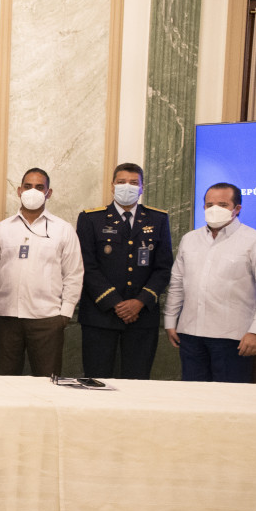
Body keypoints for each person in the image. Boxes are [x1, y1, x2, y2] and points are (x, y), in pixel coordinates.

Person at [75, 162, 173, 380]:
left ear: (142, 187)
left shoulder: (157, 219)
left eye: (133, 183)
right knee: (97, 379)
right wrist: (115, 303)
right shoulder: (91, 219)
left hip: (142, 317)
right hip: (100, 316)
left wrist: (139, 302)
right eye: (121, 182)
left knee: (137, 380)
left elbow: (163, 268)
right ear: (112, 185)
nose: (127, 187)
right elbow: (86, 266)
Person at [0, 168, 83, 377]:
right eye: (28, 186)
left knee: (47, 381)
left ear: (48, 192)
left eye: (39, 187)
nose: (32, 191)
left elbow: (73, 273)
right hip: (6, 317)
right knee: (5, 380)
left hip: (47, 318)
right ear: (19, 190)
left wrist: (65, 314)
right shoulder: (2, 229)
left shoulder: (63, 229)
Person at [163, 182, 256, 382]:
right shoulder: (190, 239)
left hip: (233, 337)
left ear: (237, 209)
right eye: (209, 204)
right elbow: (177, 283)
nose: (214, 209)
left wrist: (255, 332)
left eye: (222, 205)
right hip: (190, 334)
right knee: (194, 394)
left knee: (229, 395)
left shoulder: (252, 240)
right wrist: (170, 321)